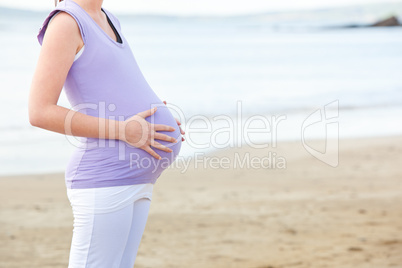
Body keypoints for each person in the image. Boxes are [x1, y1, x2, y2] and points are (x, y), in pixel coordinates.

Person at [28, 0, 185, 267]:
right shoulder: (66, 23)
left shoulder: (107, 17)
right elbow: (40, 112)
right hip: (105, 177)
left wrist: (157, 116)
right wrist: (126, 130)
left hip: (139, 176)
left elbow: (113, 88)